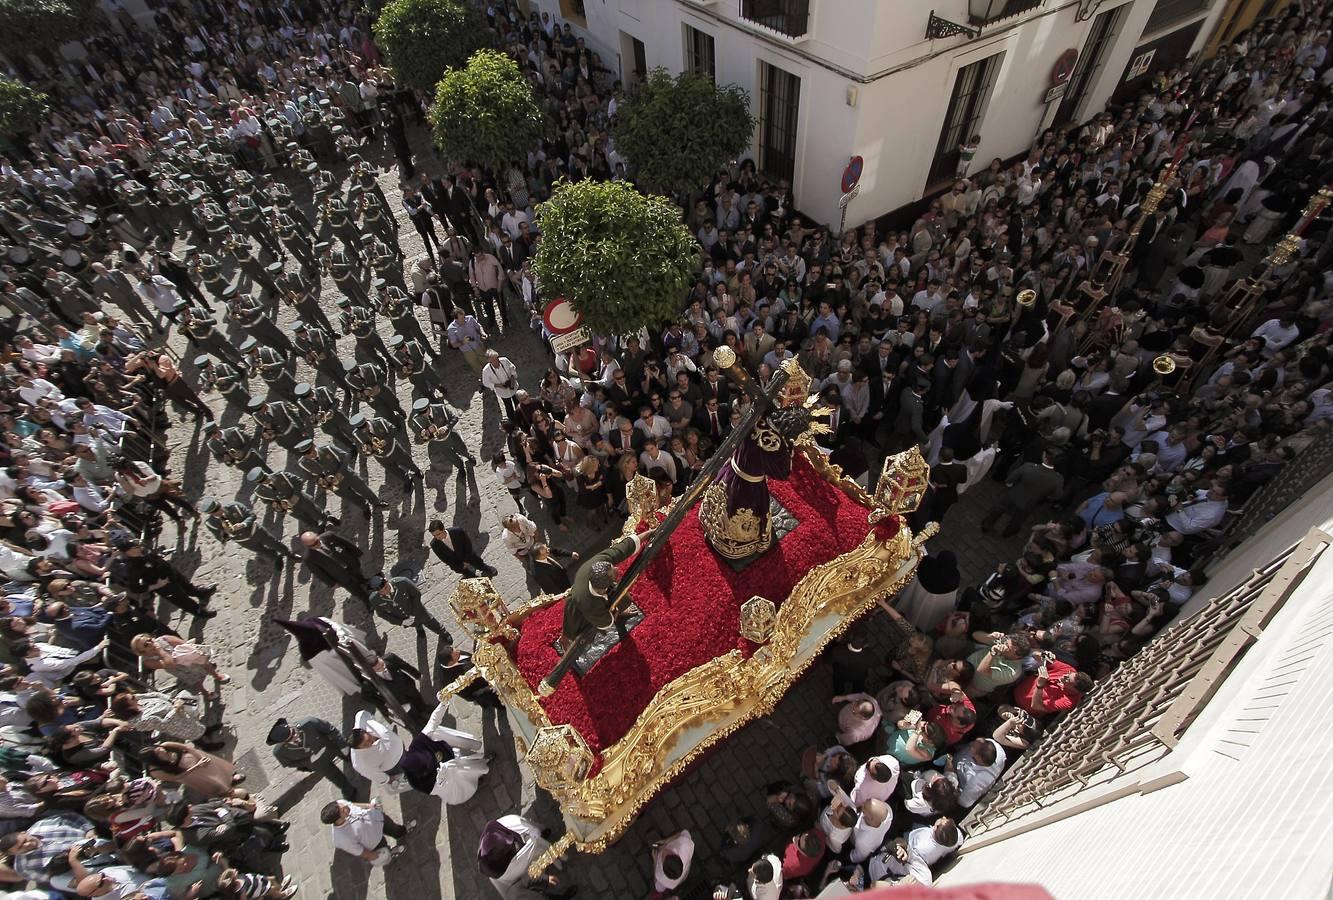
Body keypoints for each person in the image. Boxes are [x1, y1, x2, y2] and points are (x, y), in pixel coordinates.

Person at [267, 716, 362, 800]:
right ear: (283, 743)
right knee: (335, 777)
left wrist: (343, 746)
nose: (295, 735)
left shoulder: (308, 723)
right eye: (290, 738)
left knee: (351, 756)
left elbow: (330, 729)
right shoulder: (280, 753)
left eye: (293, 732)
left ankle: (361, 765)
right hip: (319, 763)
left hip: (331, 746)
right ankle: (350, 791)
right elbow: (289, 764)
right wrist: (308, 761)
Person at [981, 450, 1065, 537]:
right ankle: (1008, 533)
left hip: (1013, 495)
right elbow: (1057, 496)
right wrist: (1044, 496)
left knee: (999, 509)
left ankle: (986, 525)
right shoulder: (1058, 479)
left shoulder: (1028, 466)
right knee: (1019, 519)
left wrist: (1011, 485)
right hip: (1030, 502)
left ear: (1044, 457)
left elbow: (1009, 480)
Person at [322, 798, 416, 865]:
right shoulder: (341, 838)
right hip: (375, 841)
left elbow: (352, 805)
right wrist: (371, 855)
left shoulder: (340, 804)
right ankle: (390, 852)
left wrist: (368, 806)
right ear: (337, 820)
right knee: (384, 848)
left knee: (394, 828)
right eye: (343, 810)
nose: (346, 806)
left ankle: (402, 831)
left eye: (341, 805)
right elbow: (358, 850)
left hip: (377, 818)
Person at [428, 519, 498, 578]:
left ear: (443, 529)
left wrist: (466, 560)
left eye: (438, 534)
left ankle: (486, 569)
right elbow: (445, 559)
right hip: (456, 563)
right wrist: (460, 565)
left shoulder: (457, 531)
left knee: (478, 563)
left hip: (468, 555)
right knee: (468, 575)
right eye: (434, 535)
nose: (437, 537)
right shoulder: (434, 544)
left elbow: (468, 545)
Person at [482, 350, 521, 417]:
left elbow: (512, 369)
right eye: (493, 360)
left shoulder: (504, 360)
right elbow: (486, 382)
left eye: (496, 359)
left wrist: (512, 379)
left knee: (519, 404)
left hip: (513, 386)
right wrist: (498, 385)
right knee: (509, 408)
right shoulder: (486, 370)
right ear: (489, 361)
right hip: (502, 392)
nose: (496, 361)